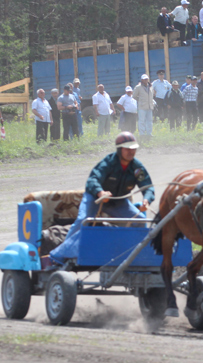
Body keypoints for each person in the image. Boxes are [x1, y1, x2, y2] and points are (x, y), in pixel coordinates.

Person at [49, 132, 154, 265]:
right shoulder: (108, 163)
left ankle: (134, 256)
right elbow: (93, 179)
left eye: (133, 149)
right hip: (95, 199)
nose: (131, 152)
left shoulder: (137, 168)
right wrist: (100, 192)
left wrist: (147, 200)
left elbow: (147, 186)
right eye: (128, 149)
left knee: (140, 221)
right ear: (119, 149)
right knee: (84, 221)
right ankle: (60, 255)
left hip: (118, 202)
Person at [133, 74, 155, 140]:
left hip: (149, 106)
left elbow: (152, 96)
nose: (146, 80)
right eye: (144, 79)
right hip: (142, 107)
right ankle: (142, 134)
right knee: (141, 121)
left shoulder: (151, 87)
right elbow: (134, 96)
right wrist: (140, 101)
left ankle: (149, 133)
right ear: (142, 80)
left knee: (149, 121)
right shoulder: (138, 87)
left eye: (147, 79)